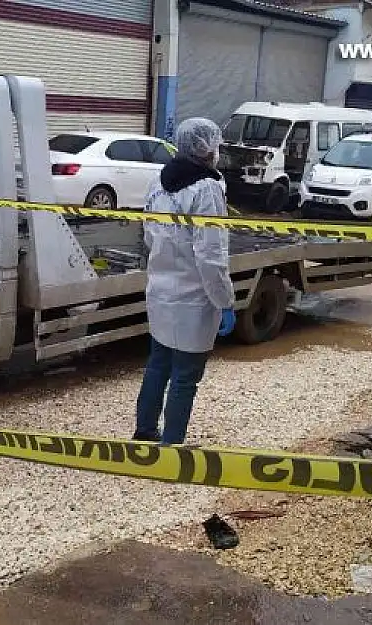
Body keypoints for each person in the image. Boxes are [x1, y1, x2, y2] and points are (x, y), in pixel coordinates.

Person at [132, 118, 236, 445]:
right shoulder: (206, 189)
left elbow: (149, 234)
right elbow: (211, 255)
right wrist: (225, 302)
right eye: (215, 145)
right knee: (185, 377)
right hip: (194, 298)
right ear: (206, 149)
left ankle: (145, 431)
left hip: (161, 290)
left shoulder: (159, 183)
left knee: (158, 365)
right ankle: (171, 447)